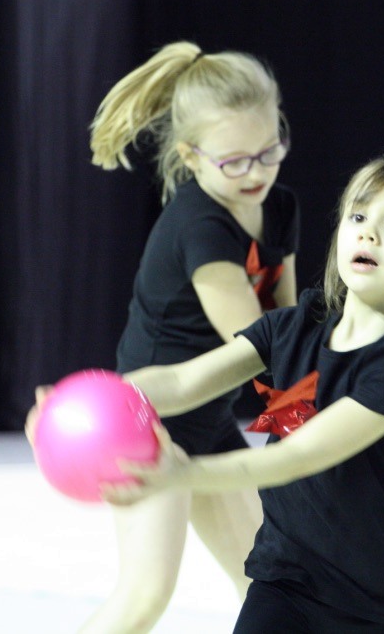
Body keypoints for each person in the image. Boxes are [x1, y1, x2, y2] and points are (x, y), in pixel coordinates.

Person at [104, 147, 384, 633]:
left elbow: (298, 456)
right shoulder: (294, 326)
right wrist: (100, 397)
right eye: (358, 215)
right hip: (282, 586)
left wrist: (186, 474)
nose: (369, 232)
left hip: (373, 612)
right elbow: (181, 380)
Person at [66, 40, 299, 632]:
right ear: (191, 156)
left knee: (276, 587)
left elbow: (290, 322)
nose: (257, 173)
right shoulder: (200, 226)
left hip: (210, 414)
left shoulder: (279, 206)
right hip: (151, 421)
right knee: (144, 596)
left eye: (269, 151)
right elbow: (261, 342)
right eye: (235, 162)